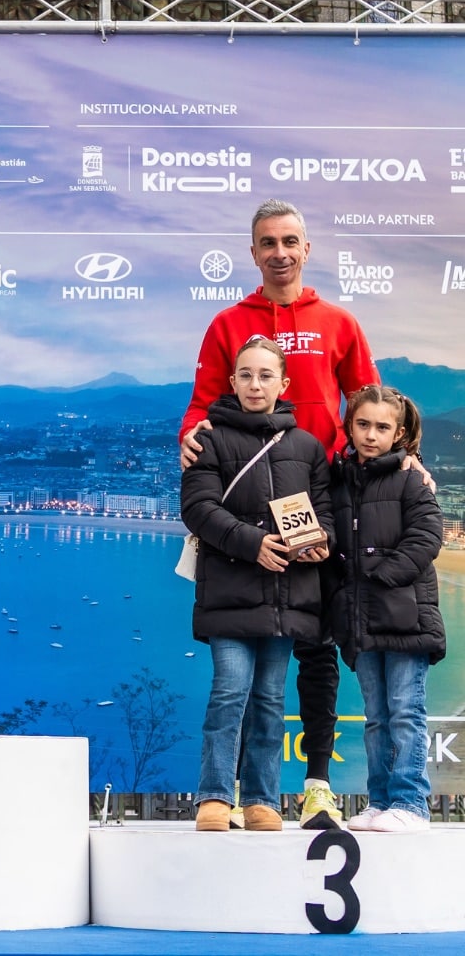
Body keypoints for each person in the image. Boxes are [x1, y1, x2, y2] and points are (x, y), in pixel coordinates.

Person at [179, 199, 378, 828]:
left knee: (314, 649)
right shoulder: (227, 323)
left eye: (291, 240)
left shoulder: (339, 321)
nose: (281, 252)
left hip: (323, 497)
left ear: (307, 248)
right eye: (268, 242)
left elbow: (369, 401)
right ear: (254, 252)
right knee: (245, 675)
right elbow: (199, 406)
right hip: (246, 507)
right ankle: (232, 792)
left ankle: (317, 782)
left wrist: (400, 459)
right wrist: (188, 439)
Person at [182, 337, 334, 832]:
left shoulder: (308, 447)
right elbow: (200, 509)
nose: (255, 384)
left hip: (287, 597)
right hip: (229, 592)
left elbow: (326, 516)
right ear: (232, 382)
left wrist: (320, 543)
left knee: (271, 698)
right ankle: (214, 797)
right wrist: (254, 544)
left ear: (284, 384)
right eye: (246, 374)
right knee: (229, 691)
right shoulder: (208, 439)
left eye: (266, 375)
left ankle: (263, 800)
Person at [329, 386, 444, 834]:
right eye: (363, 425)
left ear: (398, 433)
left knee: (405, 711)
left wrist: (377, 576)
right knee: (376, 717)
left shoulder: (412, 479)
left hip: (406, 616)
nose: (370, 435)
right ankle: (380, 802)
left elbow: (426, 537)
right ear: (349, 425)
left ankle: (412, 803)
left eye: (381, 427)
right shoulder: (338, 479)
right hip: (361, 620)